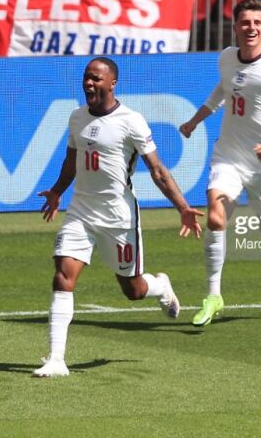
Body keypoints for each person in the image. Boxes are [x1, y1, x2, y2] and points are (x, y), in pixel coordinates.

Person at [34, 57, 203, 377]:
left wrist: (182, 207)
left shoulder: (131, 121)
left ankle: (160, 285)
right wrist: (57, 191)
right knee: (62, 275)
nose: (89, 83)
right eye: (86, 77)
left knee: (133, 290)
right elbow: (71, 161)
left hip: (119, 217)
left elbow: (158, 171)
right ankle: (56, 359)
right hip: (81, 211)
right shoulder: (77, 117)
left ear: (112, 83)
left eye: (96, 78)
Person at [178, 0, 261, 327]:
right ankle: (213, 295)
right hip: (227, 157)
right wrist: (196, 119)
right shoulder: (226, 57)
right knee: (215, 215)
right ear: (235, 27)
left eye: (257, 23)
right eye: (244, 22)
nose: (250, 28)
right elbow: (223, 90)